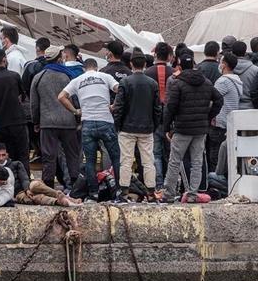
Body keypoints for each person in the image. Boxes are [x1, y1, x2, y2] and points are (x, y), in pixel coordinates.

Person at [161, 53, 223, 203]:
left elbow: (170, 107)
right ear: (194, 64)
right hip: (200, 129)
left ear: (180, 67)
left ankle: (168, 194)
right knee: (197, 162)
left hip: (182, 128)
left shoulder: (178, 83)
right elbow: (219, 100)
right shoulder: (206, 82)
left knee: (174, 161)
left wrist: (167, 126)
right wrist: (208, 116)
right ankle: (192, 194)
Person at [58, 58, 121, 201]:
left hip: (88, 123)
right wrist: (114, 105)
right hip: (106, 121)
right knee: (115, 157)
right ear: (96, 67)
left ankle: (93, 194)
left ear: (84, 69)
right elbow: (121, 89)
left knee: (90, 161)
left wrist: (75, 111)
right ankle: (118, 191)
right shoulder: (105, 77)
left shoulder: (78, 79)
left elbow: (61, 96)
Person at [30, 46, 82, 189]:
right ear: (59, 58)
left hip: (47, 123)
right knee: (72, 155)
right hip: (68, 122)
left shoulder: (39, 77)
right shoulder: (68, 76)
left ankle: (48, 186)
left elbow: (34, 104)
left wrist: (36, 121)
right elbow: (76, 99)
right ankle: (74, 185)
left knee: (49, 157)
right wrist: (77, 117)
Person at [112, 50, 160, 196]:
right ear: (145, 64)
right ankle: (151, 191)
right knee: (148, 161)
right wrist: (154, 125)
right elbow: (157, 108)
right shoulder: (152, 83)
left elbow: (118, 107)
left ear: (131, 64)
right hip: (147, 128)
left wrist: (117, 125)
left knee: (125, 161)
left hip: (127, 128)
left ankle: (124, 191)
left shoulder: (125, 82)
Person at [0, 144, 79, 207]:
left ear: (7, 155)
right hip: (16, 193)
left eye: (3, 155)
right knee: (32, 199)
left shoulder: (16, 164)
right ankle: (58, 202)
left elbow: (24, 177)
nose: (1, 158)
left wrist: (27, 189)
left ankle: (63, 196)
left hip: (28, 186)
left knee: (36, 186)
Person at [0, 49, 30, 172]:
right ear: (4, 59)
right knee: (22, 155)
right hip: (17, 121)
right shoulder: (14, 76)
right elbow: (23, 96)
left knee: (2, 156)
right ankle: (24, 184)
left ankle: (4, 179)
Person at [145, 42, 174, 190]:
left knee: (155, 153)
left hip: (152, 118)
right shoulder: (175, 72)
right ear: (169, 56)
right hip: (172, 119)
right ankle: (171, 185)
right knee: (170, 154)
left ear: (155, 54)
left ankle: (158, 184)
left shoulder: (147, 73)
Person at [209, 52, 243, 172]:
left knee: (215, 156)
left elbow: (213, 100)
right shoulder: (237, 80)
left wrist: (211, 116)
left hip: (220, 122)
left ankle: (215, 182)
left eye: (221, 61)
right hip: (230, 122)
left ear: (224, 65)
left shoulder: (223, 81)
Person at [232, 41, 258, 109]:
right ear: (245, 52)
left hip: (231, 106)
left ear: (232, 52)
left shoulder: (228, 69)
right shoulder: (255, 69)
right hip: (250, 106)